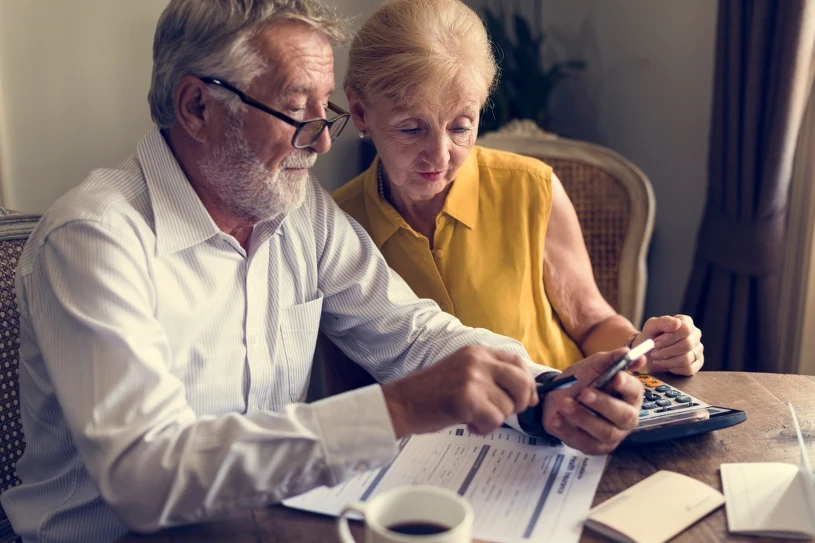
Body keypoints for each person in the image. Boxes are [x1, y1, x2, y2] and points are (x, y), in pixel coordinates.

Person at [1, 1, 645, 542]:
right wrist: (394, 409)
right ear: (196, 107)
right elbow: (145, 477)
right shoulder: (94, 239)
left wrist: (547, 389)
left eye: (325, 110)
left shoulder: (297, 208)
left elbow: (411, 332)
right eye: (295, 111)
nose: (324, 140)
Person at [333, 0, 704, 377]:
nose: (440, 156)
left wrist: (646, 350)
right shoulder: (335, 226)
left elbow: (593, 324)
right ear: (361, 112)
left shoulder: (532, 189)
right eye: (411, 129)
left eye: (461, 127)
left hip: (560, 420)